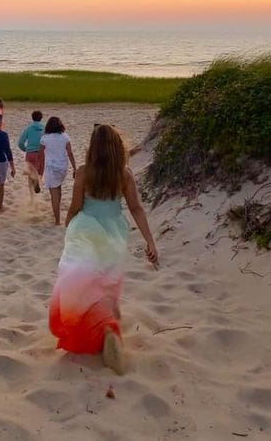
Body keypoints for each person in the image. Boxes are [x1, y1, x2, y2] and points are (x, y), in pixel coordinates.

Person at [48, 124, 159, 375]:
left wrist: (68, 227)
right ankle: (108, 327)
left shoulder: (84, 172)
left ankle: (99, 331)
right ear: (117, 148)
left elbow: (76, 207)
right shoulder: (125, 174)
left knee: (80, 287)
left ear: (93, 149)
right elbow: (136, 208)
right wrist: (150, 241)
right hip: (113, 235)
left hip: (86, 232)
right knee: (106, 283)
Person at [40, 117, 76, 225]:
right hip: (62, 168)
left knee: (54, 195)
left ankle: (57, 220)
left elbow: (40, 154)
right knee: (58, 188)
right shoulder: (65, 136)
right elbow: (70, 153)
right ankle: (57, 213)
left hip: (51, 168)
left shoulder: (45, 138)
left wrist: (40, 168)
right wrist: (74, 167)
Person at [18, 110, 45, 195]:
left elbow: (20, 142)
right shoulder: (44, 128)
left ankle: (32, 197)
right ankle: (37, 181)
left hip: (30, 153)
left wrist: (25, 149)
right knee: (39, 172)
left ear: (32, 118)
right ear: (41, 118)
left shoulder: (28, 129)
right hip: (41, 153)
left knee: (30, 175)